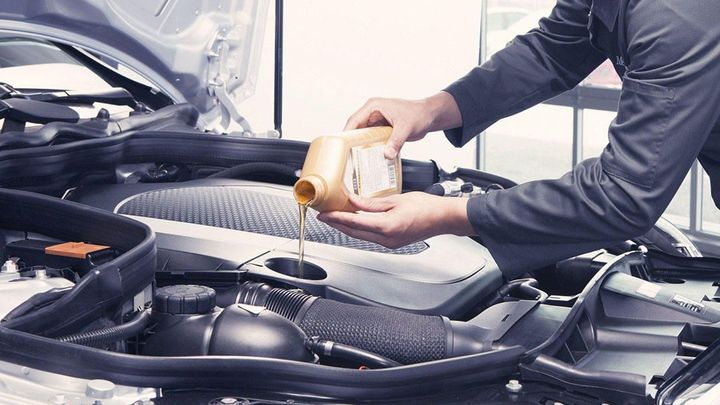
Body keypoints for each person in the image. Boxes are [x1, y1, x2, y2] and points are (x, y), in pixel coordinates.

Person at [316, 0, 720, 277]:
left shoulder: (677, 15)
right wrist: (432, 108)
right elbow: (552, 51)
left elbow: (621, 195)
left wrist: (450, 215)